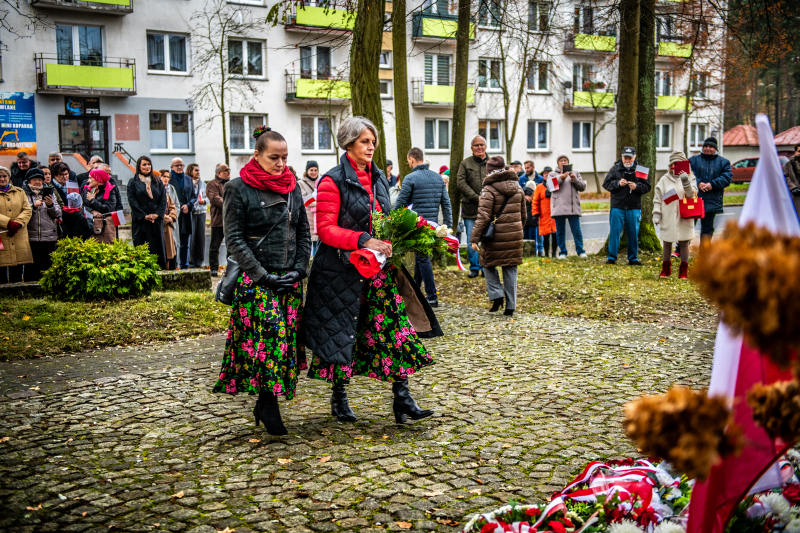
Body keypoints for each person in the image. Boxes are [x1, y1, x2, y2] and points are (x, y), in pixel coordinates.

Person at [303, 116, 440, 425]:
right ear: (348, 143)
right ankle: (339, 398)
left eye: (373, 142)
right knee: (342, 334)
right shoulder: (331, 180)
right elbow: (324, 229)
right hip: (340, 272)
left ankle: (402, 397)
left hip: (377, 273)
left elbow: (385, 218)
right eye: (365, 141)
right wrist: (364, 239)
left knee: (394, 328)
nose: (371, 146)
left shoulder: (379, 177)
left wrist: (401, 236)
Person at [212, 126, 311, 436]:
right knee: (269, 340)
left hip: (288, 279)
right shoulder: (238, 188)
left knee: (286, 344)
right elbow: (235, 240)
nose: (281, 164)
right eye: (274, 158)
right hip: (256, 280)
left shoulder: (292, 186)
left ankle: (266, 402)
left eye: (284, 158)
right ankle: (268, 403)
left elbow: (304, 232)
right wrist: (262, 275)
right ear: (256, 155)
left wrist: (299, 269)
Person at [394, 147, 453, 307]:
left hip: (417, 225)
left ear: (411, 159)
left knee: (422, 258)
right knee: (422, 257)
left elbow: (400, 203)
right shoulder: (437, 178)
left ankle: (432, 296)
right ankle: (415, 291)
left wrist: (392, 222)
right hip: (432, 226)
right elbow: (446, 203)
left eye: (408, 160)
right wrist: (448, 225)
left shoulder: (410, 178)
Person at [469, 156, 525, 316]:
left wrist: (474, 238)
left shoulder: (488, 189)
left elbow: (483, 216)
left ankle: (497, 295)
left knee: (487, 264)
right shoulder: (518, 188)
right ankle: (510, 306)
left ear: (489, 171)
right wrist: (518, 231)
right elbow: (523, 215)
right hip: (514, 236)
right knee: (510, 268)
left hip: (493, 237)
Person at [603, 146, 652, 266]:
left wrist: (637, 187)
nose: (627, 160)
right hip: (617, 206)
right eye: (625, 157)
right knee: (615, 232)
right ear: (622, 157)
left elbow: (647, 187)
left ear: (634, 158)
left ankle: (633, 258)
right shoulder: (615, 169)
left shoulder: (641, 170)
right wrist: (617, 183)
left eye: (630, 158)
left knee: (633, 233)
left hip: (634, 206)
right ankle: (612, 257)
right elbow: (606, 184)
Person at [653, 150, 697, 279]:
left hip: (684, 216)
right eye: (672, 164)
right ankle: (666, 269)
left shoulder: (690, 177)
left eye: (678, 164)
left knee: (684, 242)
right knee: (667, 242)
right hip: (668, 215)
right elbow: (658, 199)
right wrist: (657, 214)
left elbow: (691, 195)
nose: (674, 167)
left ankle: (683, 270)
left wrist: (685, 182)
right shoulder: (664, 180)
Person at [21, 168, 61, 281]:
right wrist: (33, 206)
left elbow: (58, 213)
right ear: (29, 181)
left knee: (47, 266)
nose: (38, 182)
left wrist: (50, 205)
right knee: (31, 267)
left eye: (40, 179)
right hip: (30, 237)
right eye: (35, 179)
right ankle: (30, 291)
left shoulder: (49, 193)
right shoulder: (23, 194)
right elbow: (21, 213)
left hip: (48, 237)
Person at [690, 137, 731, 244]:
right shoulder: (692, 160)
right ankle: (680, 250)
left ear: (715, 149)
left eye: (711, 147)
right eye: (706, 146)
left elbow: (726, 178)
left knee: (707, 229)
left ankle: (704, 252)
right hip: (693, 199)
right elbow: (686, 174)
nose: (708, 149)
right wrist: (698, 183)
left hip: (712, 199)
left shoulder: (724, 162)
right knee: (688, 226)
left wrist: (712, 184)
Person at [457, 135, 488, 278]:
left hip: (488, 208)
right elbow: (461, 183)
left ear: (486, 147)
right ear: (471, 148)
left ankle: (486, 267)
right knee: (471, 240)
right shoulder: (465, 163)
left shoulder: (492, 163)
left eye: (482, 144)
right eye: (476, 145)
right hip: (470, 208)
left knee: (487, 238)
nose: (479, 147)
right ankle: (474, 267)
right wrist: (477, 198)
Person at [128, 156, 167, 270]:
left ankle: (159, 269)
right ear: (139, 166)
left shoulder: (157, 181)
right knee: (142, 245)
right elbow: (132, 201)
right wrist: (144, 216)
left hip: (155, 219)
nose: (147, 167)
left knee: (157, 246)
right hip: (141, 219)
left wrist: (158, 214)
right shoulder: (133, 182)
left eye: (149, 164)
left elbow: (163, 199)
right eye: (144, 164)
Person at [549, 154, 587, 258]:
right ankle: (563, 252)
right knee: (560, 232)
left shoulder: (575, 173)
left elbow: (583, 187)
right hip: (559, 207)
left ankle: (580, 251)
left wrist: (575, 179)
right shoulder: (552, 174)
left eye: (565, 160)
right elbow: (550, 187)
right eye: (561, 160)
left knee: (577, 230)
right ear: (558, 163)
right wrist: (561, 177)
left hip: (572, 207)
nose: (563, 162)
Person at [0, 166, 32, 283]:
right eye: (0, 176)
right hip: (2, 235)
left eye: (5, 176)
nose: (2, 179)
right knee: (1, 269)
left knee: (18, 267)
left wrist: (17, 224)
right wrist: (8, 223)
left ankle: (17, 294)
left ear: (9, 178)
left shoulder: (20, 192)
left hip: (18, 234)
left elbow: (27, 209)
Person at [169, 158, 197, 270]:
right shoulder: (169, 179)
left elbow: (194, 195)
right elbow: (170, 195)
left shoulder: (188, 179)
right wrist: (181, 206)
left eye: (181, 165)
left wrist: (188, 205)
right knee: (175, 240)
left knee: (185, 241)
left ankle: (184, 265)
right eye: (177, 165)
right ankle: (173, 264)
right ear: (172, 167)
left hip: (187, 213)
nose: (179, 167)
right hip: (175, 212)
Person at [82, 168, 119, 244]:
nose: (88, 181)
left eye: (90, 178)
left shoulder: (110, 190)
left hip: (106, 226)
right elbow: (83, 205)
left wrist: (93, 200)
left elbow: (108, 208)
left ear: (98, 179)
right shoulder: (87, 189)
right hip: (91, 224)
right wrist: (92, 211)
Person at [206, 163, 229, 275]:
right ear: (219, 173)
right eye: (226, 170)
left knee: (232, 246)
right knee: (215, 246)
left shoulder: (231, 184)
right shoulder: (212, 184)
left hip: (230, 220)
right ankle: (214, 268)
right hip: (218, 220)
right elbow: (215, 198)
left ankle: (230, 267)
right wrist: (230, 205)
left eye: (229, 169)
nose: (228, 172)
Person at [187, 163, 207, 268]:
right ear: (190, 171)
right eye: (196, 170)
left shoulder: (203, 183)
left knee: (200, 237)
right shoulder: (188, 182)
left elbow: (207, 197)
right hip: (192, 212)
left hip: (201, 213)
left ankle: (199, 261)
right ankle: (190, 262)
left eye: (199, 170)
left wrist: (204, 201)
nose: (198, 172)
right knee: (192, 237)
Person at [298, 161, 320, 256]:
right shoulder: (301, 183)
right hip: (307, 219)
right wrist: (321, 203)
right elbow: (306, 201)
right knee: (309, 247)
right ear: (307, 171)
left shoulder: (321, 181)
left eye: (316, 170)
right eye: (311, 170)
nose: (314, 172)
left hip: (319, 218)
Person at [531, 179, 557, 257]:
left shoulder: (555, 183)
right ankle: (546, 254)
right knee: (546, 236)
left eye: (548, 173)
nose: (546, 175)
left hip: (555, 214)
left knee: (555, 235)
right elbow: (535, 201)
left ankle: (554, 254)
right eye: (545, 173)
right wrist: (535, 214)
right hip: (544, 216)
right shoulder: (539, 187)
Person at [159, 172, 179, 271]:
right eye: (164, 177)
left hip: (168, 225)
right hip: (161, 225)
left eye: (168, 177)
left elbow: (173, 206)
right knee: (162, 251)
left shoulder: (167, 192)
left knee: (170, 251)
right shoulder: (156, 191)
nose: (166, 179)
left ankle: (170, 271)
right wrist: (166, 218)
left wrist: (172, 217)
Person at [782, 143, 800, 216]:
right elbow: (785, 177)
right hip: (796, 193)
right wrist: (793, 188)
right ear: (795, 152)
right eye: (799, 151)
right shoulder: (788, 164)